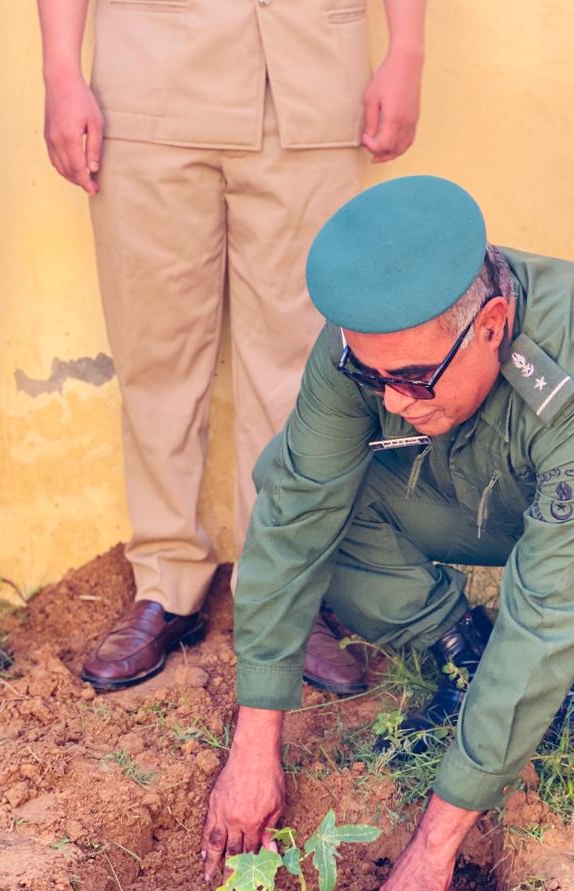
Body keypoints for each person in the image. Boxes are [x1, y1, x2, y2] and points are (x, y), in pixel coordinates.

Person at [201, 175, 574, 891]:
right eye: (372, 376)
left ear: (491, 324)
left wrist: (433, 847)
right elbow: (296, 513)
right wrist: (253, 744)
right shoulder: (371, 341)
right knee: (313, 492)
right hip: (489, 480)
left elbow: (553, 601)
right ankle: (462, 647)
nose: (391, 399)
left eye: (412, 378)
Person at [36, 0, 426, 691]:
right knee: (157, 354)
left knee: (297, 368)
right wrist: (62, 73)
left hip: (308, 81)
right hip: (148, 81)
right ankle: (167, 581)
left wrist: (407, 51)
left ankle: (280, 591)